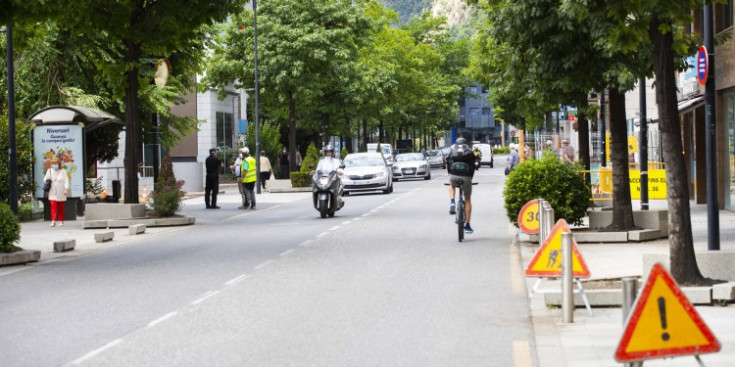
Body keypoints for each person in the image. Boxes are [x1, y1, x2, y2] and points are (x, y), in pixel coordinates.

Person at [447, 138, 476, 234]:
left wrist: (450, 175)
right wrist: (469, 179)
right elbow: (472, 167)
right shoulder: (469, 152)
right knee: (467, 199)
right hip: (466, 177)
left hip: (454, 176)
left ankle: (452, 201)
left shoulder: (452, 151)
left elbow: (448, 165)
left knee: (451, 185)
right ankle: (467, 225)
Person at [44, 157, 69, 227]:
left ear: (59, 164)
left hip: (61, 191)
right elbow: (45, 179)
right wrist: (47, 181)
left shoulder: (63, 171)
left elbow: (66, 180)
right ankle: (53, 220)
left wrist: (66, 189)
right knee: (53, 206)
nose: (55, 165)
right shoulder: (49, 170)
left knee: (61, 206)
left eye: (56, 163)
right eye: (53, 163)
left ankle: (61, 220)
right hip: (52, 191)